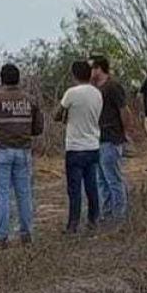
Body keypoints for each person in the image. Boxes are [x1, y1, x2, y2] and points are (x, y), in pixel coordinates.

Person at [0, 63, 43, 249]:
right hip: (23, 152)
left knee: (2, 194)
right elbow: (38, 128)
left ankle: (0, 237)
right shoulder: (30, 100)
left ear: (1, 79)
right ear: (18, 78)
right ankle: (27, 234)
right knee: (24, 194)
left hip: (0, 152)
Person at [55, 61, 102, 234]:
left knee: (74, 189)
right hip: (93, 145)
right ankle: (93, 220)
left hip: (75, 147)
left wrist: (66, 115)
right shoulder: (97, 93)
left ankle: (73, 224)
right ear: (89, 74)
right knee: (92, 186)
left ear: (74, 75)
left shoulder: (71, 93)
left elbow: (56, 115)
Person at [90, 55, 133, 223]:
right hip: (97, 139)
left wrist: (124, 132)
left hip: (111, 139)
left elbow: (124, 110)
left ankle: (119, 216)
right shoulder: (94, 88)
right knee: (101, 180)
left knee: (113, 178)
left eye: (92, 67)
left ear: (99, 68)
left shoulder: (112, 87)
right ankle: (107, 215)